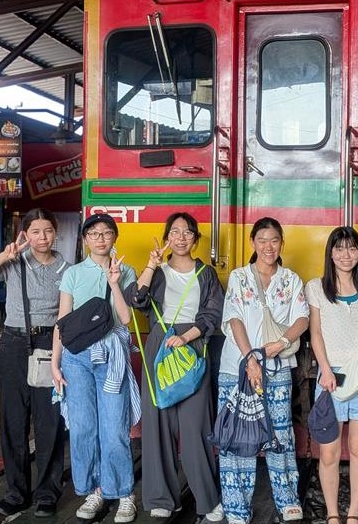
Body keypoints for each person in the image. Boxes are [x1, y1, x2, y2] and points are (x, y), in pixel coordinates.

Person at [0, 208, 68, 518]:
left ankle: (47, 492)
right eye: (35, 231)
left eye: (47, 230)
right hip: (13, 344)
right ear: (24, 234)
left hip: (50, 345)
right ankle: (16, 491)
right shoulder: (13, 263)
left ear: (56, 232)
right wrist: (4, 256)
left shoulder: (67, 268)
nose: (42, 237)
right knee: (13, 421)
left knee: (50, 421)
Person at [126, 212, 225, 521]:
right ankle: (162, 498)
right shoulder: (157, 272)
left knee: (196, 425)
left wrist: (187, 337)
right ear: (167, 237)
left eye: (187, 232)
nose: (181, 237)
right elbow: (136, 300)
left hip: (192, 344)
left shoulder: (206, 274)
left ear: (195, 238)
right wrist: (151, 264)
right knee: (158, 423)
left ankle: (207, 500)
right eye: (175, 232)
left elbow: (213, 313)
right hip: (160, 342)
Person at [217, 217, 309, 524]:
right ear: (253, 243)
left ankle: (287, 499)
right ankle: (236, 507)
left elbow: (302, 319)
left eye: (274, 240)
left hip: (277, 366)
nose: (268, 247)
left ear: (282, 243)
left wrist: (281, 343)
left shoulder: (291, 279)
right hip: (237, 367)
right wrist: (251, 359)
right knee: (237, 432)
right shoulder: (239, 277)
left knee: (280, 432)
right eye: (262, 240)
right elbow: (234, 318)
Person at [51, 213, 140, 523]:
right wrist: (55, 363)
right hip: (76, 358)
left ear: (115, 237)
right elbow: (62, 321)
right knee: (83, 428)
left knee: (114, 428)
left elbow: (126, 319)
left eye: (106, 233)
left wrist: (113, 283)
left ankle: (124, 493)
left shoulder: (126, 271)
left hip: (112, 355)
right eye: (94, 233)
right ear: (85, 239)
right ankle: (95, 490)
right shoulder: (73, 273)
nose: (101, 238)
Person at [305, 226, 358, 524]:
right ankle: (333, 514)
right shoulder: (316, 287)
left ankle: (353, 514)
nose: (345, 254)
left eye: (351, 248)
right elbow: (315, 332)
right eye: (339, 248)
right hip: (330, 376)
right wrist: (325, 370)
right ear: (330, 253)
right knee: (329, 451)